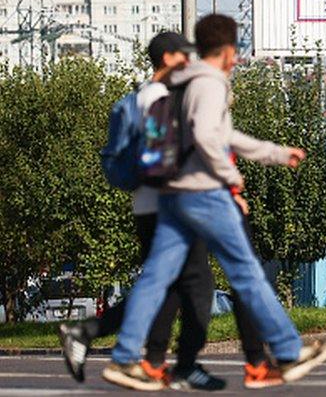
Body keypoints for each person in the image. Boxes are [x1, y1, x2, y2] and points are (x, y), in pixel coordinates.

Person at [102, 14, 326, 390]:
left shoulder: (182, 82)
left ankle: (127, 359)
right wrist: (230, 178)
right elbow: (209, 136)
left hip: (173, 195)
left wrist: (274, 152)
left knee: (157, 277)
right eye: (236, 51)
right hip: (204, 193)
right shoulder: (209, 83)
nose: (237, 59)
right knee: (247, 273)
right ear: (227, 50)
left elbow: (224, 134)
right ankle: (288, 351)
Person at [59, 32, 228, 390]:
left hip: (149, 205)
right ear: (168, 59)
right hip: (174, 204)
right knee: (197, 285)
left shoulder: (136, 99)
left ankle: (143, 356)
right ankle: (177, 363)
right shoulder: (163, 99)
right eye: (186, 57)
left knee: (167, 286)